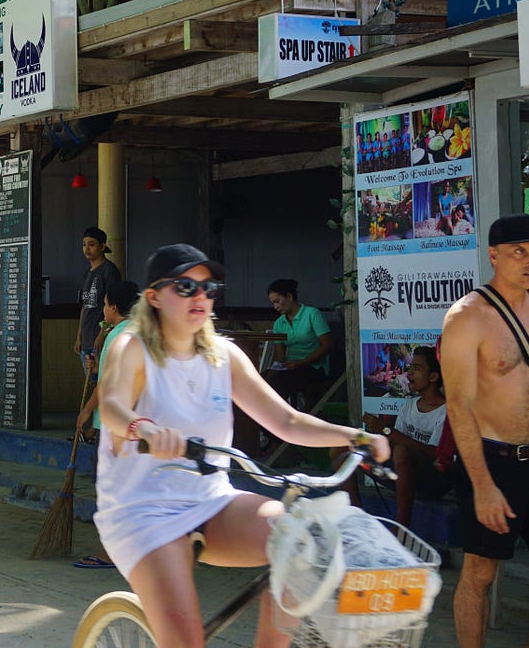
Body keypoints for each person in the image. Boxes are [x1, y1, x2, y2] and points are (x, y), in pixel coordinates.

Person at [95, 243, 389, 647]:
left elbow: (286, 421)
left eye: (208, 287)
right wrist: (142, 429)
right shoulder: (134, 349)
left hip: (212, 500)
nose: (200, 296)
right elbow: (111, 405)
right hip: (144, 512)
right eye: (185, 286)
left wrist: (355, 437)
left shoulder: (223, 355)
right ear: (154, 297)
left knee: (300, 543)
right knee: (185, 640)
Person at [439, 214, 529, 648]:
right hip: (493, 461)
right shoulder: (468, 316)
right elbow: (459, 406)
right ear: (494, 255)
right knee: (480, 572)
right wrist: (482, 485)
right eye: (519, 251)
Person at [334, 346, 452, 527]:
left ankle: (401, 527)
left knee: (402, 452)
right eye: (411, 367)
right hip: (400, 473)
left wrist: (386, 430)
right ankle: (356, 515)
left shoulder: (446, 412)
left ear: (433, 377)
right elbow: (393, 443)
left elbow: (434, 453)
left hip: (431, 483)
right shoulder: (409, 405)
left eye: (417, 368)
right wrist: (372, 437)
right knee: (343, 444)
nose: (410, 372)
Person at [71, 278, 141, 571]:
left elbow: (109, 382)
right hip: (137, 422)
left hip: (116, 422)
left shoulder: (119, 336)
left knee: (111, 487)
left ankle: (113, 551)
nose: (102, 310)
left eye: (104, 305)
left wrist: (86, 411)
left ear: (113, 307)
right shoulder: (140, 332)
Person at [263, 278, 332, 408]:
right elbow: (279, 357)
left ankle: (280, 423)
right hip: (290, 368)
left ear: (289, 296)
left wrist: (302, 363)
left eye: (277, 301)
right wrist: (268, 374)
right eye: (273, 303)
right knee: (259, 382)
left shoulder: (312, 314)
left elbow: (327, 345)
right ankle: (266, 424)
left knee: (279, 384)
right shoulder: (279, 323)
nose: (276, 307)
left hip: (314, 368)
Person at [73, 226, 122, 374]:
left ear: (102, 246)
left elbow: (114, 306)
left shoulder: (109, 271)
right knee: (93, 383)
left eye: (92, 244)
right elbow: (85, 306)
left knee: (103, 383)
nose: (87, 249)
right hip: (87, 338)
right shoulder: (87, 273)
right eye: (84, 244)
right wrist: (79, 336)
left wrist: (102, 334)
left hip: (101, 338)